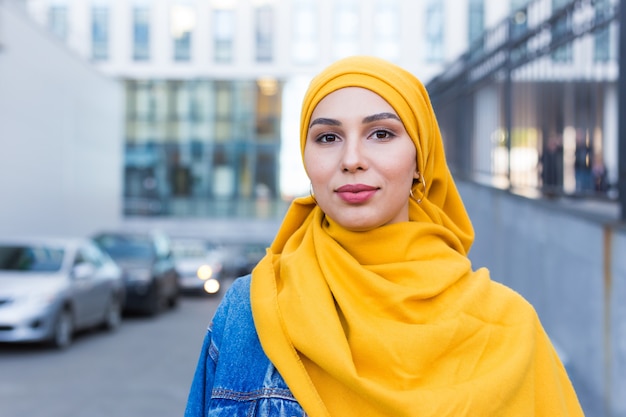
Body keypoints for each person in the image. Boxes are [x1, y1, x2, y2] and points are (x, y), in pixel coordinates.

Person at [184, 56, 584, 416]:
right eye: (328, 137)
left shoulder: (509, 327)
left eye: (381, 134)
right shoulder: (250, 312)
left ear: (419, 159)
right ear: (306, 158)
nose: (352, 160)